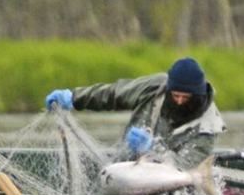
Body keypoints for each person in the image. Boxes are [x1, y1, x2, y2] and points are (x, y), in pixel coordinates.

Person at [45, 57, 226, 169]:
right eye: (175, 95)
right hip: (123, 168)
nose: (179, 100)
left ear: (198, 95)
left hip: (168, 193)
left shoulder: (209, 124)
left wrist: (153, 151)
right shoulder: (155, 87)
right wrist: (74, 98)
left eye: (185, 97)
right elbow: (113, 94)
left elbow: (185, 167)